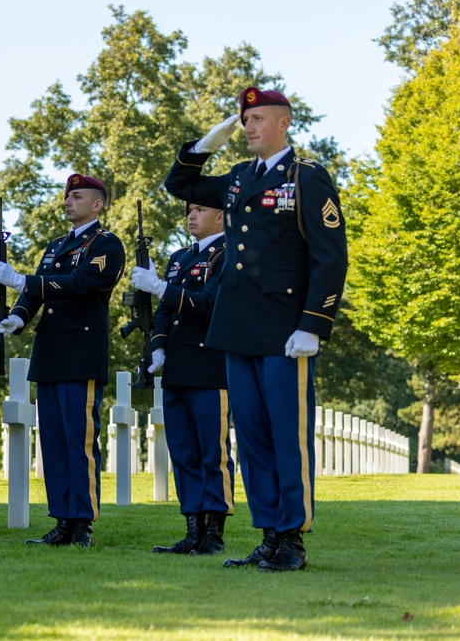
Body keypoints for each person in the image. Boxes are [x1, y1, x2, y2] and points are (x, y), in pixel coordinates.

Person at [163, 87, 348, 571]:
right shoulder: (240, 177)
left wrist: (314, 324)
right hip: (236, 329)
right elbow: (179, 184)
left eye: (258, 119)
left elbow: (330, 258)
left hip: (285, 332)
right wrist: (205, 145)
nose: (248, 127)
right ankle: (269, 534)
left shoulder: (306, 178)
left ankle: (292, 538)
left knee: (287, 435)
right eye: (244, 120)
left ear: (284, 123)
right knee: (252, 438)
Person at [0, 174, 125, 547]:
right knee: (52, 442)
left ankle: (82, 522)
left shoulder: (107, 245)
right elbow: (37, 292)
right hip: (50, 352)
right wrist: (17, 317)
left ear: (97, 204)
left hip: (80, 353)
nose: (67, 201)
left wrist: (20, 280)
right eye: (67, 196)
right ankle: (62, 520)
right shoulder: (54, 247)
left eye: (76, 196)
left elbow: (81, 283)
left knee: (78, 442)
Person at [131, 200, 233, 555]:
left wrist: (160, 287)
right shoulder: (179, 258)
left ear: (221, 216)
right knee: (183, 453)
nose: (191, 215)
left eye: (200, 210)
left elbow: (209, 303)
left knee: (212, 453)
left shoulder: (229, 252)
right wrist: (158, 350)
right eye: (189, 210)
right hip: (176, 369)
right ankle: (192, 529)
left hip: (209, 366)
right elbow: (164, 314)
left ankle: (214, 534)